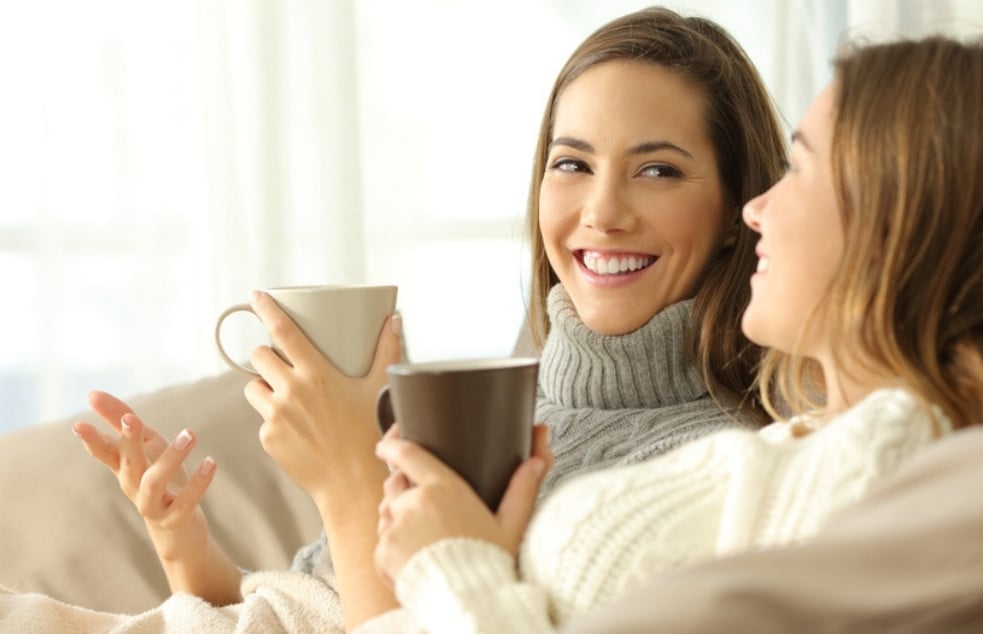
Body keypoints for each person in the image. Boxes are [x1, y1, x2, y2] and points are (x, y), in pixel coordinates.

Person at [4, 6, 786, 632]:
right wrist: (183, 541)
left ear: (734, 210)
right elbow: (310, 611)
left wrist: (351, 480)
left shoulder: (723, 470)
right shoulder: (499, 413)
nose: (602, 211)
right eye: (572, 163)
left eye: (657, 170)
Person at [362, 34, 983, 633]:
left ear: (895, 228)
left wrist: (450, 565)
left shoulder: (877, 473)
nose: (756, 209)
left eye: (799, 170)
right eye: (571, 164)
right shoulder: (816, 443)